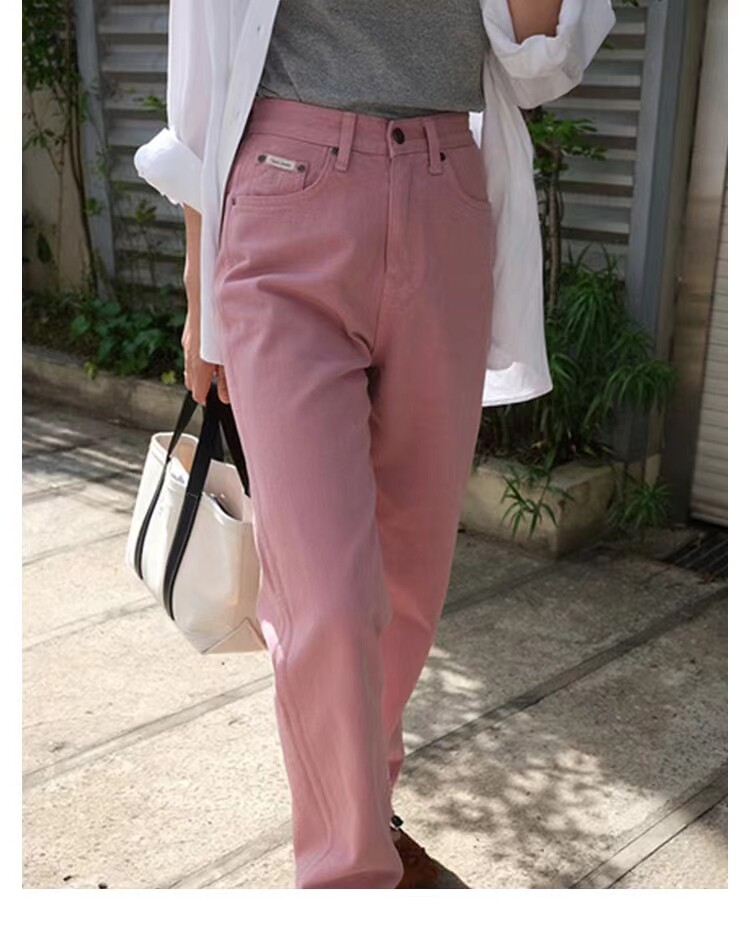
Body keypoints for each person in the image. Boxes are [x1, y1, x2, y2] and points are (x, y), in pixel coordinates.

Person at [134, 0, 616, 889]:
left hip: (447, 196)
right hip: (282, 196)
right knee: (325, 593)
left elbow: (540, 66)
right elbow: (203, 56)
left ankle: (364, 805)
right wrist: (201, 291)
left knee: (410, 582)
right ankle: (348, 878)